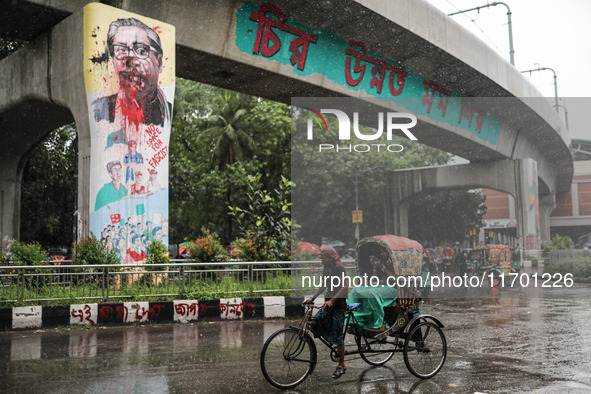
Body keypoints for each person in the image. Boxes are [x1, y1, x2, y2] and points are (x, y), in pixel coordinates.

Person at [93, 17, 172, 127]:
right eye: (121, 50)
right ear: (113, 61)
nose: (130, 60)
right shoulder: (98, 110)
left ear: (158, 62)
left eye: (141, 50)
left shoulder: (170, 114)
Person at [304, 247, 348, 379]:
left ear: (331, 258)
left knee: (338, 335)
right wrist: (313, 297)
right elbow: (324, 285)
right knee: (315, 322)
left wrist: (333, 301)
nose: (322, 260)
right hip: (328, 303)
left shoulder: (339, 268)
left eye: (324, 258)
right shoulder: (326, 269)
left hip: (338, 305)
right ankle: (331, 338)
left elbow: (345, 286)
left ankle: (341, 364)